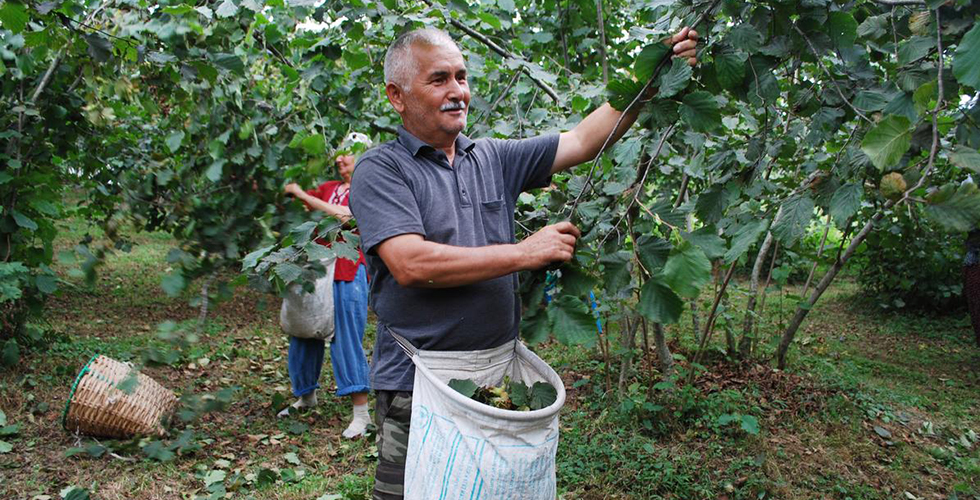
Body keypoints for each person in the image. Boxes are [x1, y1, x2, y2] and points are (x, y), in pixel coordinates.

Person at [349, 27, 698, 498]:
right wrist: (524, 253)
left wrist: (649, 80)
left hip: (497, 376)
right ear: (397, 95)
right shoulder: (381, 169)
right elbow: (411, 263)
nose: (457, 91)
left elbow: (581, 140)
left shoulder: (491, 157)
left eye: (461, 77)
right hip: (417, 383)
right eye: (438, 80)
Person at [280, 133, 373, 439]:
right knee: (304, 329)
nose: (339, 158)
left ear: (363, 156)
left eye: (347, 152)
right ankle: (306, 396)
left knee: (346, 336)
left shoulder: (369, 187)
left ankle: (362, 414)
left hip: (348, 269)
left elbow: (347, 218)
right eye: (338, 153)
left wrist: (303, 195)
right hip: (317, 269)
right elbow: (301, 201)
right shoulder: (329, 188)